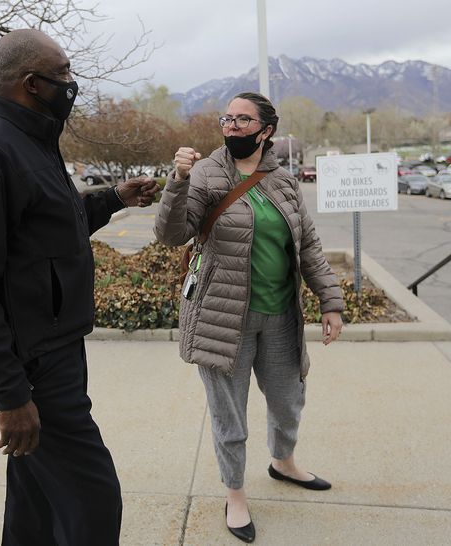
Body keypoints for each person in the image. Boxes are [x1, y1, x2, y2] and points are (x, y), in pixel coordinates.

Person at [0, 29, 158, 546]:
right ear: (31, 84)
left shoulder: (33, 142)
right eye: (62, 74)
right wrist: (10, 396)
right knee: (93, 499)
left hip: (58, 348)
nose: (71, 83)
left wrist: (114, 198)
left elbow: (51, 230)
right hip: (34, 366)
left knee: (34, 505)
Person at [154, 92, 344, 543]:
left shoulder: (282, 181)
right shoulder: (205, 173)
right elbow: (171, 234)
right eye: (228, 118)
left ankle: (283, 462)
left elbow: (309, 247)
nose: (233, 125)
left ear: (266, 130)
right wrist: (177, 180)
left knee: (287, 400)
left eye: (243, 119)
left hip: (280, 316)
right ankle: (235, 494)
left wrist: (330, 301)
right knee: (229, 417)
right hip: (224, 318)